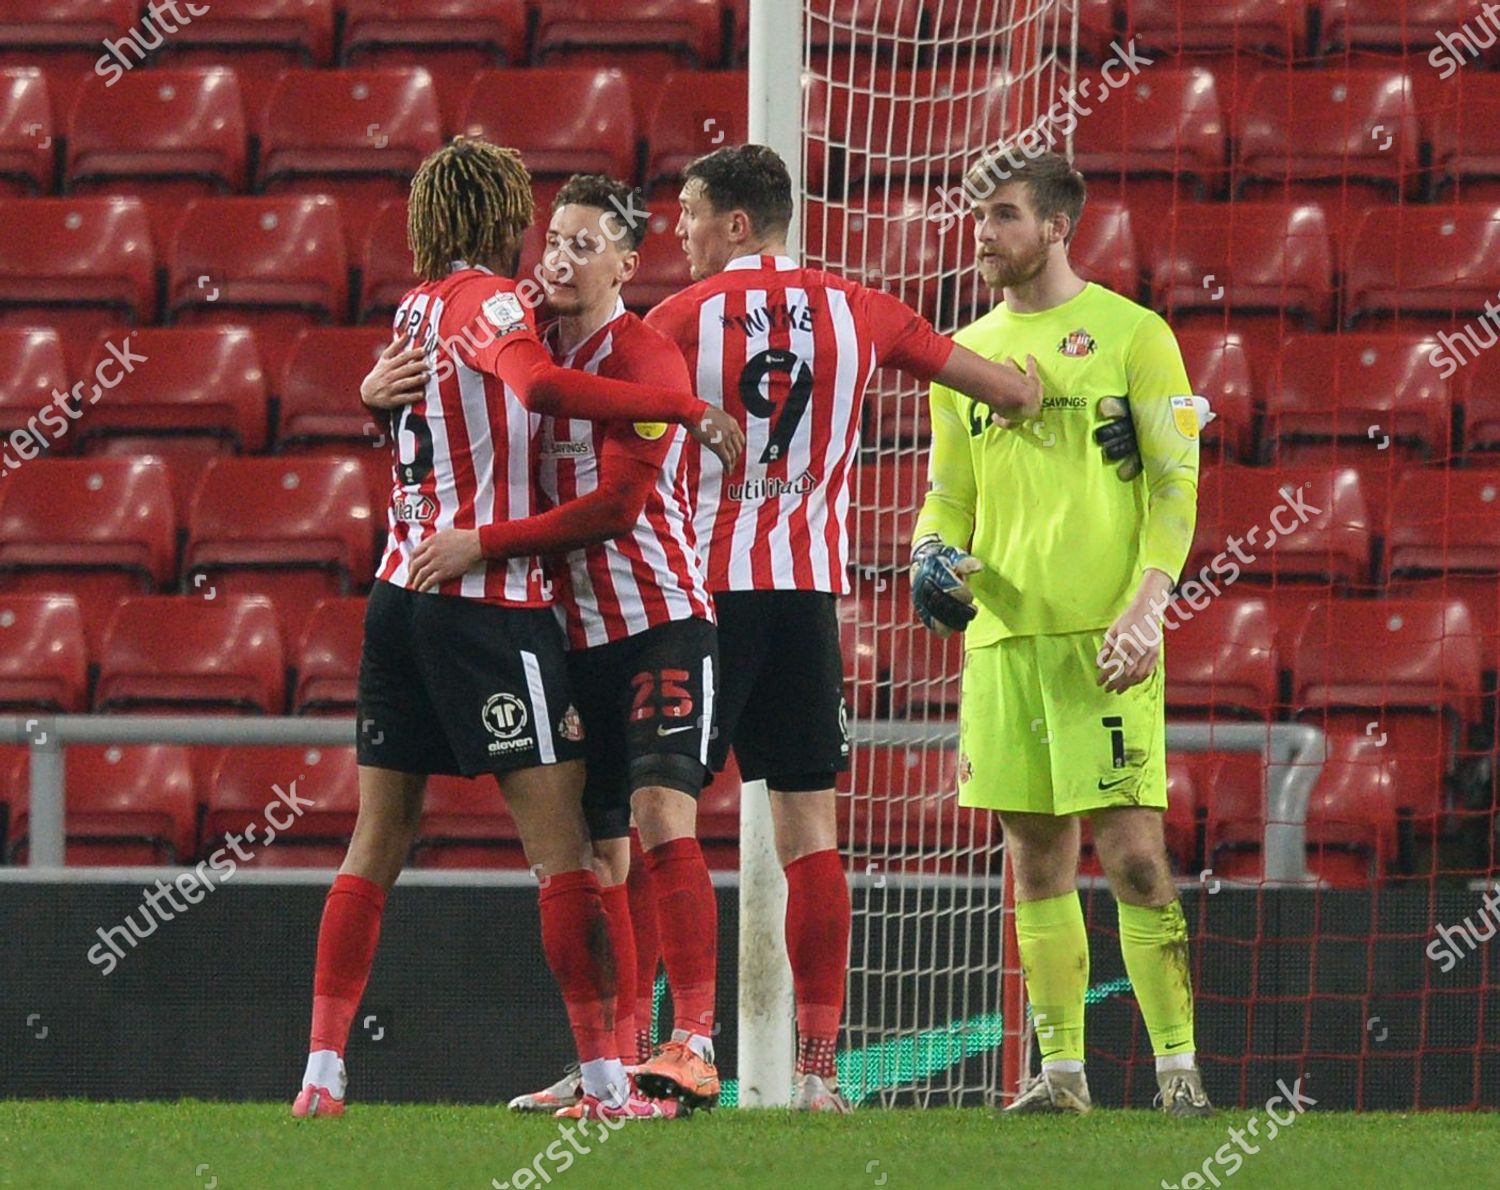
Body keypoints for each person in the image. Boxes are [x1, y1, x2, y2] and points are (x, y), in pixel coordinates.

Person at [292, 137, 742, 1121]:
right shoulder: (500, 306)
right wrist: (686, 407)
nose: (552, 247)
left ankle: (323, 1071)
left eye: (582, 239)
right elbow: (535, 389)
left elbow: (460, 424)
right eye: (545, 228)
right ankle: (611, 1077)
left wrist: (372, 400)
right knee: (566, 854)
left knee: (379, 838)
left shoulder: (417, 309)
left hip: (403, 591)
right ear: (505, 219)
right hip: (485, 603)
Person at [638, 143, 1049, 1113]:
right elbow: (998, 387)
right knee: (810, 825)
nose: (682, 233)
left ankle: (678, 1040)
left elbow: (606, 417)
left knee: (654, 807)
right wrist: (1035, 385)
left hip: (702, 598)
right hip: (807, 597)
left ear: (738, 223)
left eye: (692, 214)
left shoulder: (676, 318)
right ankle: (820, 1074)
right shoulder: (859, 308)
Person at [909, 147, 1211, 1117]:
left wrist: (1147, 603)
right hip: (1003, 638)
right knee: (1034, 857)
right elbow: (947, 494)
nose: (984, 233)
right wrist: (928, 553)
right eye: (979, 216)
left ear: (1055, 227)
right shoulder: (964, 354)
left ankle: (1178, 1074)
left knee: (1131, 854)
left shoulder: (1134, 336)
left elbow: (1178, 484)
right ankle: (1062, 1074)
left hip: (1104, 640)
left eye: (1002, 215)